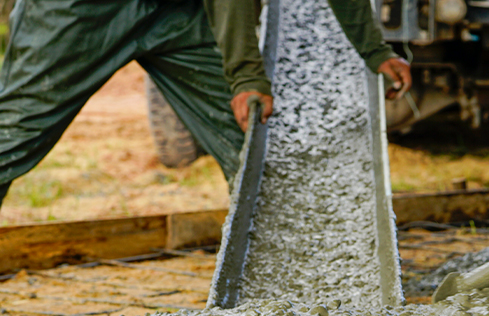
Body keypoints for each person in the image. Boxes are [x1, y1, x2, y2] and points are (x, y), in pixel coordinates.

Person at [0, 0, 412, 206]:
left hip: (179, 13)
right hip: (84, 10)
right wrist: (247, 75)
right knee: (13, 135)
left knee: (252, 138)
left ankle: (276, 290)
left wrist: (374, 51)